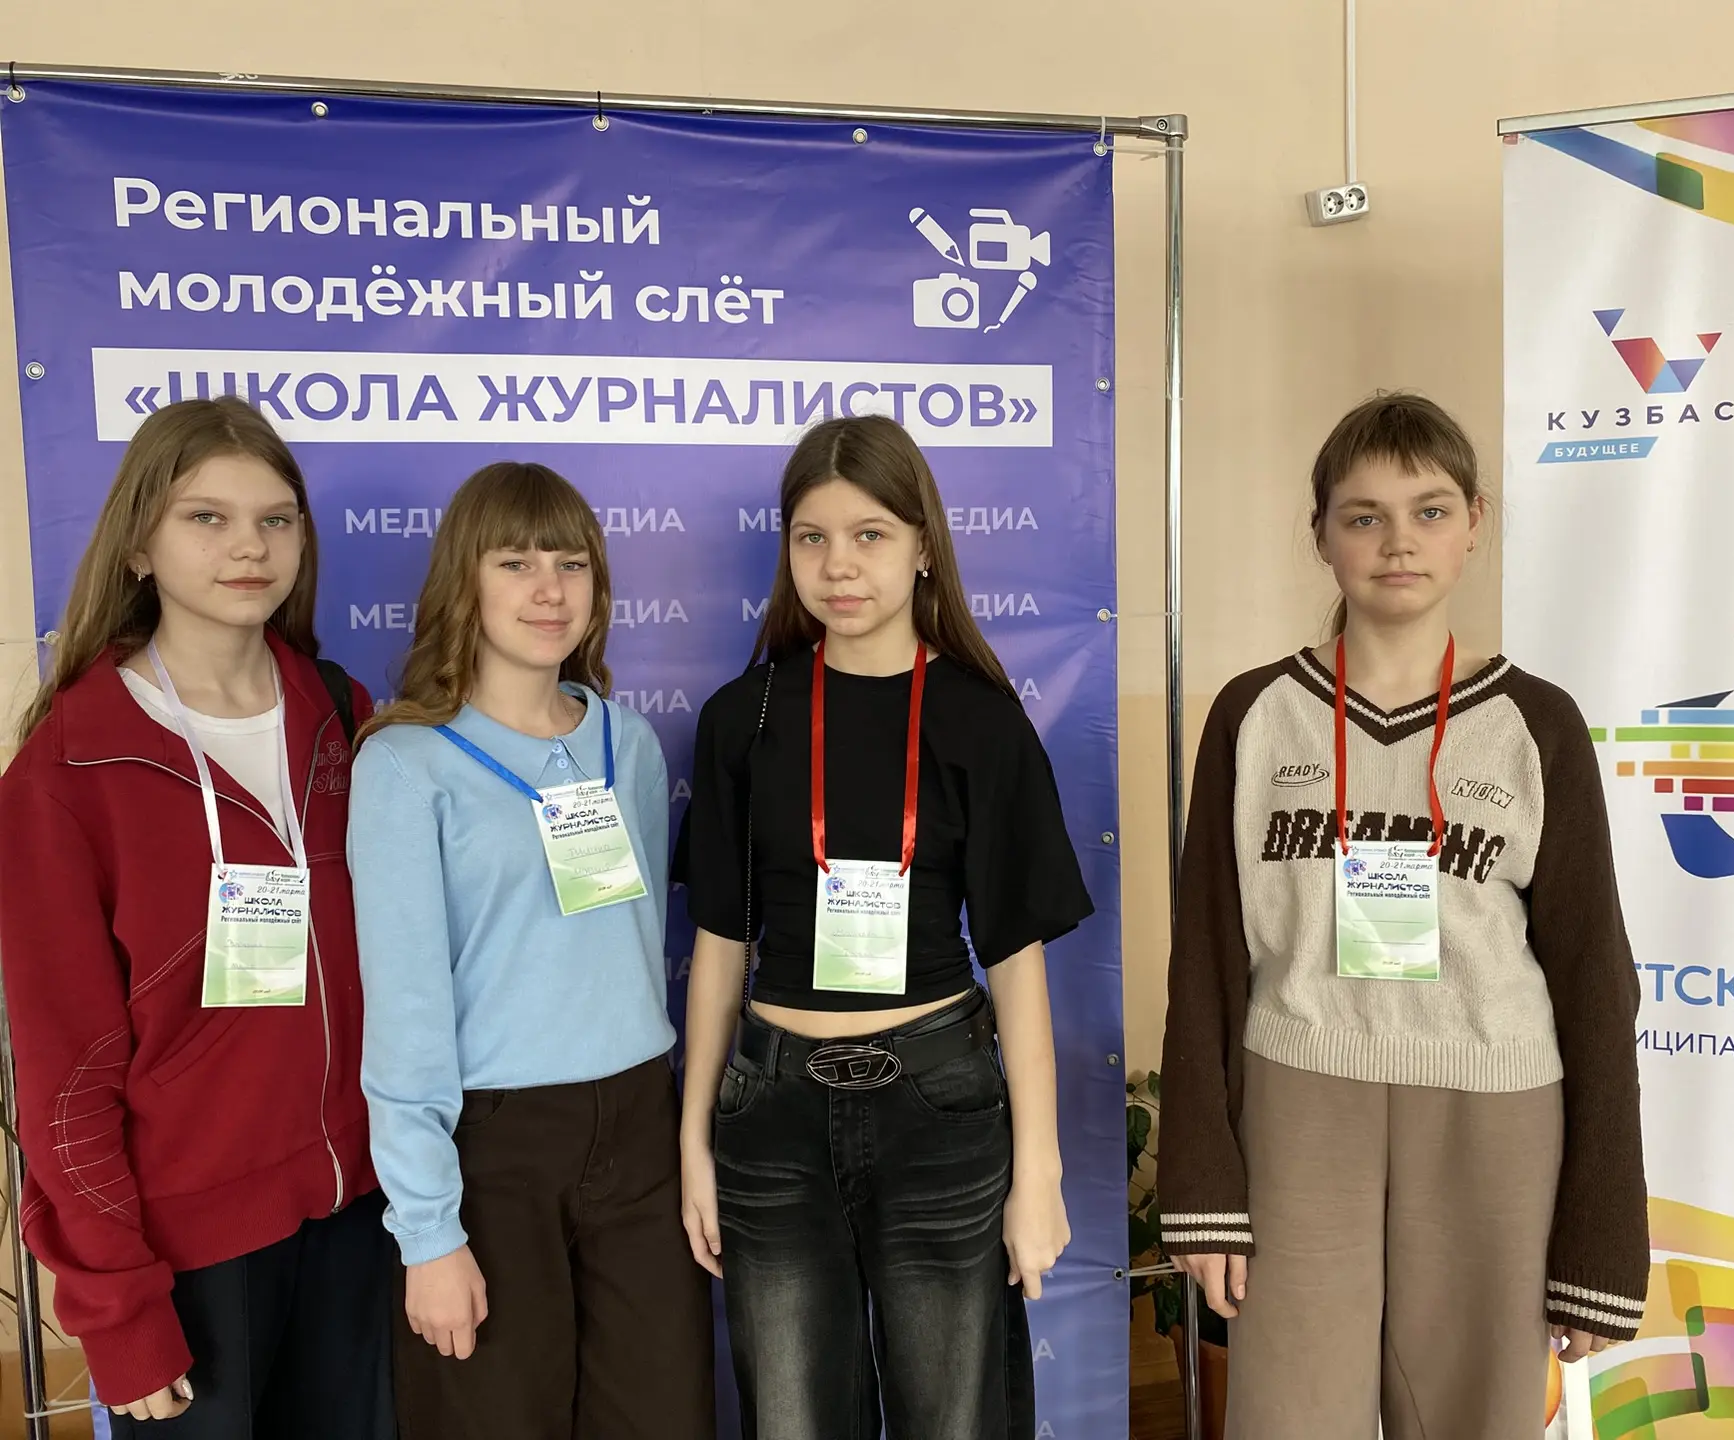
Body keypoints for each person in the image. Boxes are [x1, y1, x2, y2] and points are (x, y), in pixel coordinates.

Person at [1156, 392, 1649, 1439]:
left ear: (1474, 523)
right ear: (1321, 535)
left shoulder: (1536, 723)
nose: (1398, 542)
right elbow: (1203, 960)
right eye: (1364, 516)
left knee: (1476, 1414)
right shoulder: (1253, 714)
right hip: (1299, 1098)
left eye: (1429, 511)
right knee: (1289, 1415)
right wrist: (1202, 1186)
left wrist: (1602, 1239)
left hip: (1495, 1109)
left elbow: (1596, 979)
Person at [675, 414, 1093, 1439]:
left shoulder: (979, 720)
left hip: (938, 1111)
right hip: (771, 1117)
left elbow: (1017, 961)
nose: (839, 565)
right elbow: (720, 946)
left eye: (869, 535)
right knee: (792, 1420)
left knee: (954, 1419)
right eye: (811, 538)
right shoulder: (745, 717)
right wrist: (694, 1140)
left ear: (922, 547)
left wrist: (1037, 1171)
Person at [0, 398, 392, 1437]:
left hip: (363, 1215)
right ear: (139, 544)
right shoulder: (66, 770)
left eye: (275, 520)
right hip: (191, 1249)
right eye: (206, 518)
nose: (249, 547)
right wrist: (116, 1305)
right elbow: (64, 1072)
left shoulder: (343, 713)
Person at [347, 461, 713, 1440]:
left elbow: (631, 940)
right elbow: (406, 1012)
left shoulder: (628, 744)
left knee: (662, 1414)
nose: (549, 589)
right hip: (495, 1145)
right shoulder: (404, 764)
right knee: (496, 1416)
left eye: (571, 563)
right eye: (515, 562)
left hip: (638, 1124)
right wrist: (429, 1232)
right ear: (463, 580)